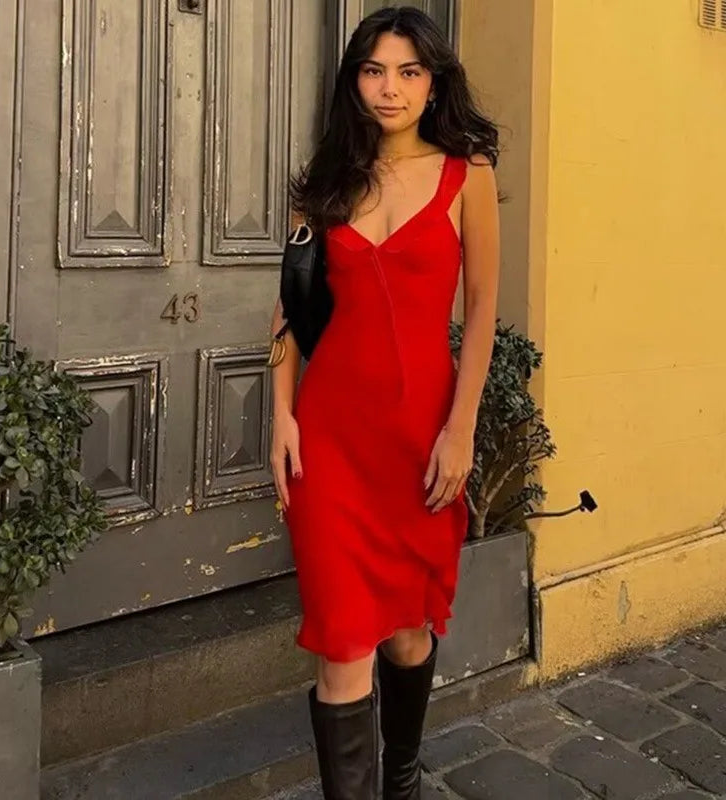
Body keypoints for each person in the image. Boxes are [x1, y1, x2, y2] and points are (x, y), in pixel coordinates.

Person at [269, 7, 500, 798]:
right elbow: (291, 312)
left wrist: (461, 431)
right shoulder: (326, 180)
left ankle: (399, 777)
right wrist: (281, 420)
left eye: (408, 71)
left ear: (434, 81)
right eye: (373, 70)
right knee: (342, 644)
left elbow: (480, 315)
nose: (389, 88)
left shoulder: (468, 175)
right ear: (353, 80)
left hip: (420, 441)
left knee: (406, 637)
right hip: (331, 442)